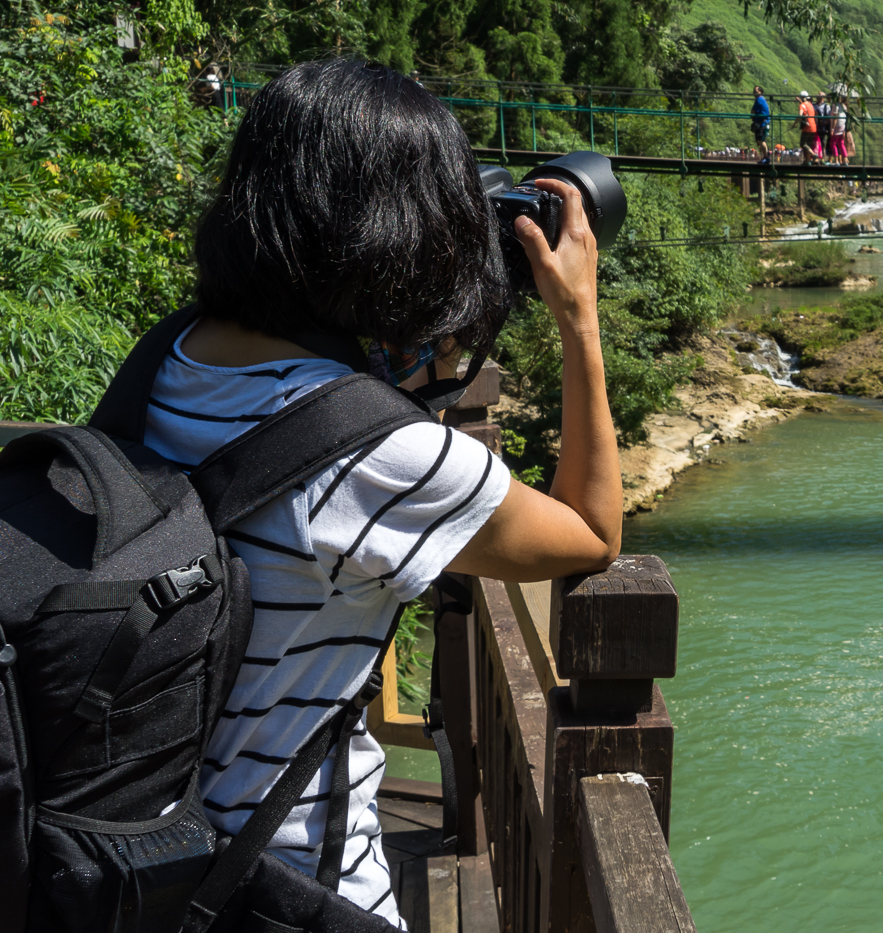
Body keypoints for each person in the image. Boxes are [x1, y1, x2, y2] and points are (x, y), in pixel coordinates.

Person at [146, 59, 620, 926]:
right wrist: (577, 314)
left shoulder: (173, 358)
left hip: (141, 859)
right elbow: (591, 530)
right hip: (287, 887)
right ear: (398, 232)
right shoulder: (378, 455)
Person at [750, 85, 772, 163]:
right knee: (760, 140)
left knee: (761, 140)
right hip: (763, 122)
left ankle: (766, 157)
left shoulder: (759, 99)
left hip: (762, 123)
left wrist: (752, 117)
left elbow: (753, 111)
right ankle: (765, 157)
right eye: (754, 90)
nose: (754, 92)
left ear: (760, 92)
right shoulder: (761, 99)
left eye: (756, 90)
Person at [797, 90, 818, 163]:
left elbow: (800, 115)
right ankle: (808, 160)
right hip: (814, 126)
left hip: (807, 127)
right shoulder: (810, 104)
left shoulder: (801, 105)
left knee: (802, 143)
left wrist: (797, 122)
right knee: (809, 144)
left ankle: (813, 154)